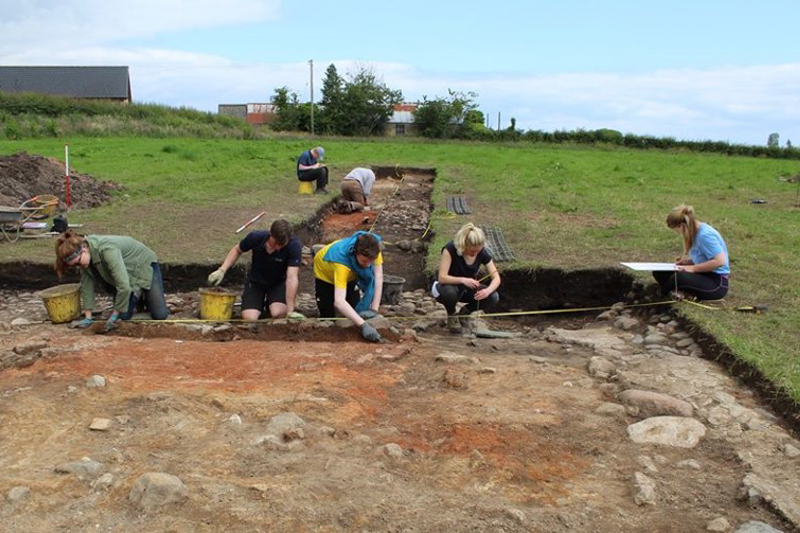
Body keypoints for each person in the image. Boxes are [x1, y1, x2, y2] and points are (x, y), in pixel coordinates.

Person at [55, 230, 169, 330]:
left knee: (160, 315)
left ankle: (140, 292)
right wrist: (88, 317)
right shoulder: (84, 259)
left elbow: (123, 285)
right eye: (75, 265)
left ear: (84, 250)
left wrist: (114, 315)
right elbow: (86, 286)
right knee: (123, 316)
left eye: (78, 262)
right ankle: (137, 297)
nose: (78, 266)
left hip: (142, 264)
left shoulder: (107, 250)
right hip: (126, 273)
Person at [207, 219, 304, 320]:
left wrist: (290, 310)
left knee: (277, 313)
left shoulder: (294, 246)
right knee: (250, 318)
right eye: (275, 243)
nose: (278, 247)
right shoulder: (256, 237)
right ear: (270, 234)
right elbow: (237, 249)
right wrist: (222, 270)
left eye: (282, 244)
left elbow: (292, 277)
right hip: (256, 282)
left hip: (278, 283)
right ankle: (258, 305)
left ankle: (271, 305)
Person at [313, 231, 384, 342]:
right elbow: (339, 301)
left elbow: (378, 277)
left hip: (350, 274)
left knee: (355, 311)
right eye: (364, 261)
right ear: (355, 253)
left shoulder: (374, 247)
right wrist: (363, 325)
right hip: (325, 273)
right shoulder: (341, 263)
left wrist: (374, 309)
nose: (368, 265)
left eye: (371, 261)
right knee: (328, 317)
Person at [432, 223, 501, 333]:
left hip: (466, 289)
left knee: (494, 297)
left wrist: (487, 291)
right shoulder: (450, 249)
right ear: (463, 245)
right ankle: (452, 314)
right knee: (449, 292)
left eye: (478, 250)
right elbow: (442, 277)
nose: (475, 253)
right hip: (446, 287)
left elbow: (496, 277)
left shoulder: (482, 252)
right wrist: (463, 280)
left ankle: (465, 313)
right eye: (472, 251)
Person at [653, 204, 729, 301]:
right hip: (703, 274)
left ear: (682, 226)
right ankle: (679, 291)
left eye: (677, 230)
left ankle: (663, 293)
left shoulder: (705, 235)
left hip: (716, 282)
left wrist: (693, 268)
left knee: (678, 278)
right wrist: (689, 262)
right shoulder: (694, 233)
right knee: (660, 272)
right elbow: (705, 257)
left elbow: (719, 261)